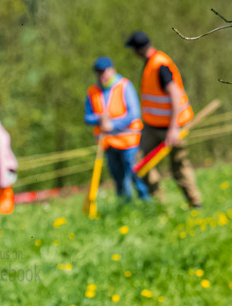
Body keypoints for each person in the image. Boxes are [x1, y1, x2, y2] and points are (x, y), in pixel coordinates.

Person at [126, 30, 203, 208]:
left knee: (179, 166)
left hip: (173, 127)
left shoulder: (160, 65)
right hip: (152, 127)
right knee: (141, 161)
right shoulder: (149, 63)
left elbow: (175, 95)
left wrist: (174, 129)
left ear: (137, 50)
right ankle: (158, 203)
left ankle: (195, 204)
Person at [84, 56, 150, 202]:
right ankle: (125, 207)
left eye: (104, 71)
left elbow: (134, 113)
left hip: (129, 142)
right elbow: (87, 117)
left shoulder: (125, 86)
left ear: (112, 70)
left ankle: (147, 203)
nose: (101, 75)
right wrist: (99, 119)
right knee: (118, 178)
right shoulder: (92, 91)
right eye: (98, 72)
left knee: (135, 174)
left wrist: (112, 125)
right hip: (108, 143)